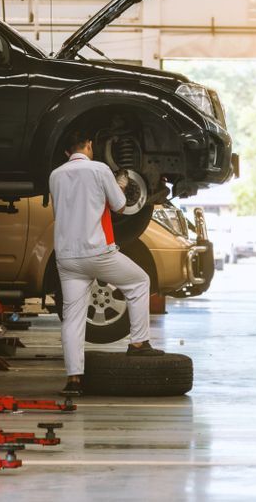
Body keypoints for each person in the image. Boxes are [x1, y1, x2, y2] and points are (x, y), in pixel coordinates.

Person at [49, 130, 164, 396]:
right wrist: (120, 183)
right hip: (97, 252)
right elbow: (121, 206)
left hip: (66, 257)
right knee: (139, 282)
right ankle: (138, 343)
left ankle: (74, 379)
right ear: (89, 145)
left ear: (67, 152)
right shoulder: (99, 169)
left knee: (73, 317)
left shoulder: (55, 175)